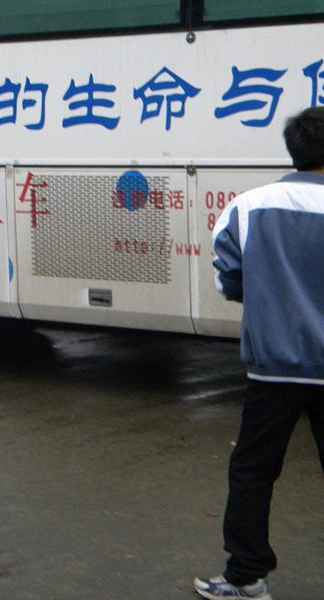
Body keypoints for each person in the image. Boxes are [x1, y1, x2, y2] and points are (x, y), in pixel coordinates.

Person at [194, 106, 324, 600]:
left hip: (275, 370)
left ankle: (246, 577)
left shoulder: (249, 206)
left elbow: (229, 279)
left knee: (253, 471)